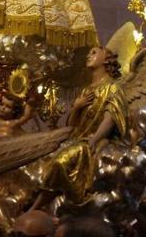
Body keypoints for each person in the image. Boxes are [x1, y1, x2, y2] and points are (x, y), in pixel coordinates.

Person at [32, 46, 126, 206]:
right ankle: (40, 206)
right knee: (41, 161)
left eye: (94, 52)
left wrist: (95, 138)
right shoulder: (86, 91)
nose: (88, 56)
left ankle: (77, 202)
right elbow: (71, 126)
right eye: (89, 53)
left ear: (106, 59)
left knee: (59, 163)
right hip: (77, 138)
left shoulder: (112, 87)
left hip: (93, 142)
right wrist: (76, 107)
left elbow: (111, 118)